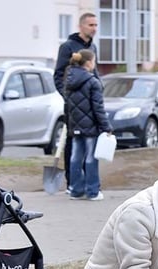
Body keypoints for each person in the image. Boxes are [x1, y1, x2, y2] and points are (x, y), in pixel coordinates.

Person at [54, 13, 98, 194]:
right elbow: (58, 76)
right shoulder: (68, 47)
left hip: (91, 106)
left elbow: (94, 74)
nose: (94, 28)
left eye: (96, 25)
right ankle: (72, 183)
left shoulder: (93, 47)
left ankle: (88, 183)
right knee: (73, 145)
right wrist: (69, 98)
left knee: (90, 146)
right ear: (81, 26)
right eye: (90, 25)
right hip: (74, 108)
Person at [65, 50, 112, 201]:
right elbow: (98, 108)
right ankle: (92, 191)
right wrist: (106, 127)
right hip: (90, 127)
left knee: (75, 158)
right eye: (94, 61)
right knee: (91, 158)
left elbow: (68, 106)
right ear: (89, 62)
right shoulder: (93, 82)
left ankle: (76, 190)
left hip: (75, 126)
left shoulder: (69, 79)